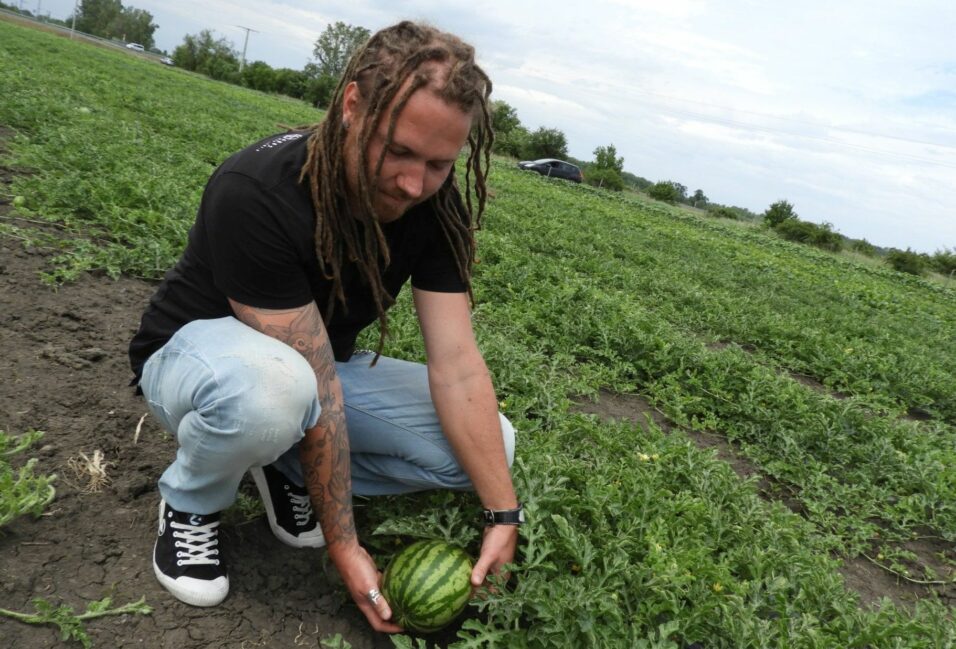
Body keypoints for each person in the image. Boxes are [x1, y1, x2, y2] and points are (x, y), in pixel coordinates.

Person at [127, 21, 521, 633]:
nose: (414, 184)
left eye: (440, 163)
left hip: (309, 372)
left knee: (489, 444)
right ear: (352, 105)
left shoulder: (436, 207)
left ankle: (281, 468)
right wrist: (346, 543)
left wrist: (504, 515)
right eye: (397, 151)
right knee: (273, 395)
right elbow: (314, 385)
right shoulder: (258, 191)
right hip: (197, 363)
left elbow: (458, 364)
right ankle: (190, 504)